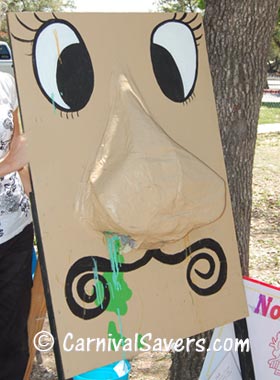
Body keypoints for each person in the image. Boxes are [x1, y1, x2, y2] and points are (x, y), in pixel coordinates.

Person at [0, 71, 33, 380]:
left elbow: (17, 147)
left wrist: (27, 181)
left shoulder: (6, 82)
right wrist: (7, 165)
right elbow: (10, 160)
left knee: (12, 339)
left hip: (16, 231)